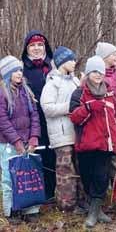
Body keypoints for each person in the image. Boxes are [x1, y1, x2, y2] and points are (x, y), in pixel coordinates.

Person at [70, 55, 116, 228]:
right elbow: (74, 118)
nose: (98, 75)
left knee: (102, 177)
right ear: (87, 73)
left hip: (105, 145)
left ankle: (94, 212)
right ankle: (95, 209)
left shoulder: (109, 93)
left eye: (100, 71)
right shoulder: (79, 93)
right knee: (87, 177)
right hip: (86, 145)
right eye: (94, 71)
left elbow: (115, 116)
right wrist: (88, 108)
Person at [0, 56, 41, 223]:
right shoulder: (2, 93)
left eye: (20, 70)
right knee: (10, 177)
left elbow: (35, 116)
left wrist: (33, 138)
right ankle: (11, 210)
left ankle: (30, 208)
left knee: (29, 174)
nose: (19, 73)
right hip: (8, 144)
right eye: (15, 70)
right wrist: (16, 142)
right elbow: (2, 120)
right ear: (7, 73)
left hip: (27, 142)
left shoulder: (26, 91)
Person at [40, 46, 81, 211]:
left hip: (76, 133)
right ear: (62, 62)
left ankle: (80, 201)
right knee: (65, 171)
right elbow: (47, 108)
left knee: (79, 167)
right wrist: (69, 107)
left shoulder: (75, 81)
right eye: (71, 59)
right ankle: (66, 205)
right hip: (60, 135)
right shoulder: (52, 83)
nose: (74, 62)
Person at [21, 30, 56, 200]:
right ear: (27, 49)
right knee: (37, 156)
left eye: (39, 45)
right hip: (33, 122)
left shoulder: (52, 66)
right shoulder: (22, 69)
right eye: (32, 45)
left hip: (54, 120)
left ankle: (52, 193)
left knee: (53, 155)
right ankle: (36, 193)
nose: (36, 48)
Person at [95, 42, 116, 199]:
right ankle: (101, 190)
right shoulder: (96, 75)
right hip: (99, 123)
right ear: (105, 57)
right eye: (113, 54)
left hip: (115, 121)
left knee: (115, 157)